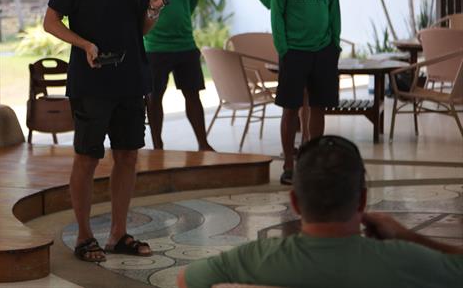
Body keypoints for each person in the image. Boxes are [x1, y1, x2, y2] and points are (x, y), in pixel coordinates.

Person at [43, 0, 170, 262]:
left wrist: (154, 8)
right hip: (92, 80)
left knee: (128, 155)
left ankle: (118, 233)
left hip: (131, 78)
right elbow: (50, 23)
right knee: (87, 156)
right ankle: (84, 236)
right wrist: (83, 44)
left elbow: (140, 28)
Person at [178, 135, 463, 288]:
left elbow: (186, 280)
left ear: (295, 203)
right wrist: (413, 239)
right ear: (362, 201)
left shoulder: (251, 259)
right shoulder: (407, 262)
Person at [247, 0, 331, 140]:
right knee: (295, 102)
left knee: (313, 101)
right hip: (294, 43)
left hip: (320, 47)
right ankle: (297, 149)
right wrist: (273, 7)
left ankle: (308, 143)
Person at [271, 0, 341, 185]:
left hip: (324, 49)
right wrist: (283, 47)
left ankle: (313, 159)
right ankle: (289, 164)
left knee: (318, 106)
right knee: (290, 108)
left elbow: (334, 5)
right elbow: (277, 13)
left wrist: (335, 42)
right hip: (294, 51)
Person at [143, 0, 213, 151]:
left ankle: (203, 143)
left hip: (185, 45)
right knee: (154, 98)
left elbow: (190, 4)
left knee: (193, 96)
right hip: (155, 46)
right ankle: (157, 146)